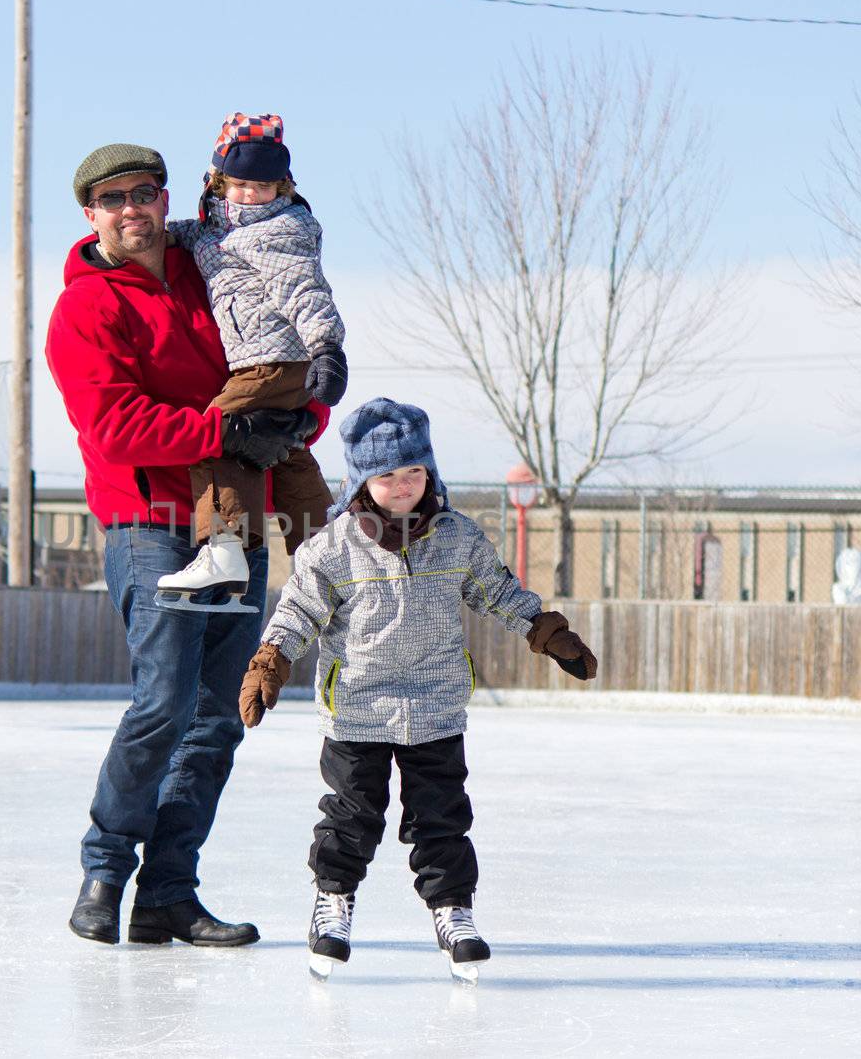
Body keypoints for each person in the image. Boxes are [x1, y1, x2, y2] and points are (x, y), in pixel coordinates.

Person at [45, 142, 322, 947]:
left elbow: (277, 357)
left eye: (146, 193)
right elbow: (116, 425)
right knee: (163, 700)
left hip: (234, 522)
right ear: (90, 214)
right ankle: (104, 869)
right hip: (152, 528)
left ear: (169, 198)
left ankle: (169, 889)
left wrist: (292, 419)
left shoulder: (214, 269)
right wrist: (223, 427)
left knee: (214, 718)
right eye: (114, 198)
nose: (133, 209)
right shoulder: (87, 309)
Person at [235, 398, 599, 981]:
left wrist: (546, 632)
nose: (402, 486)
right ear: (361, 479)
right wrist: (270, 661)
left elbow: (499, 592)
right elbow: (298, 610)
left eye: (413, 472)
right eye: (387, 475)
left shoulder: (457, 538)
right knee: (352, 815)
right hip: (357, 709)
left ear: (430, 472)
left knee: (442, 818)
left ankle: (454, 910)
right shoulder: (331, 547)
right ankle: (333, 903)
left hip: (434, 707)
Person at [154, 112, 348, 609]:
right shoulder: (218, 228)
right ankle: (326, 551)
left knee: (214, 433)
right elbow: (196, 236)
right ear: (219, 182)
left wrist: (327, 346)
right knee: (286, 452)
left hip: (275, 359)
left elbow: (305, 290)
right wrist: (159, 235)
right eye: (239, 185)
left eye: (262, 187)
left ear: (281, 187)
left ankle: (224, 548)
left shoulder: (281, 230)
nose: (249, 196)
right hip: (264, 362)